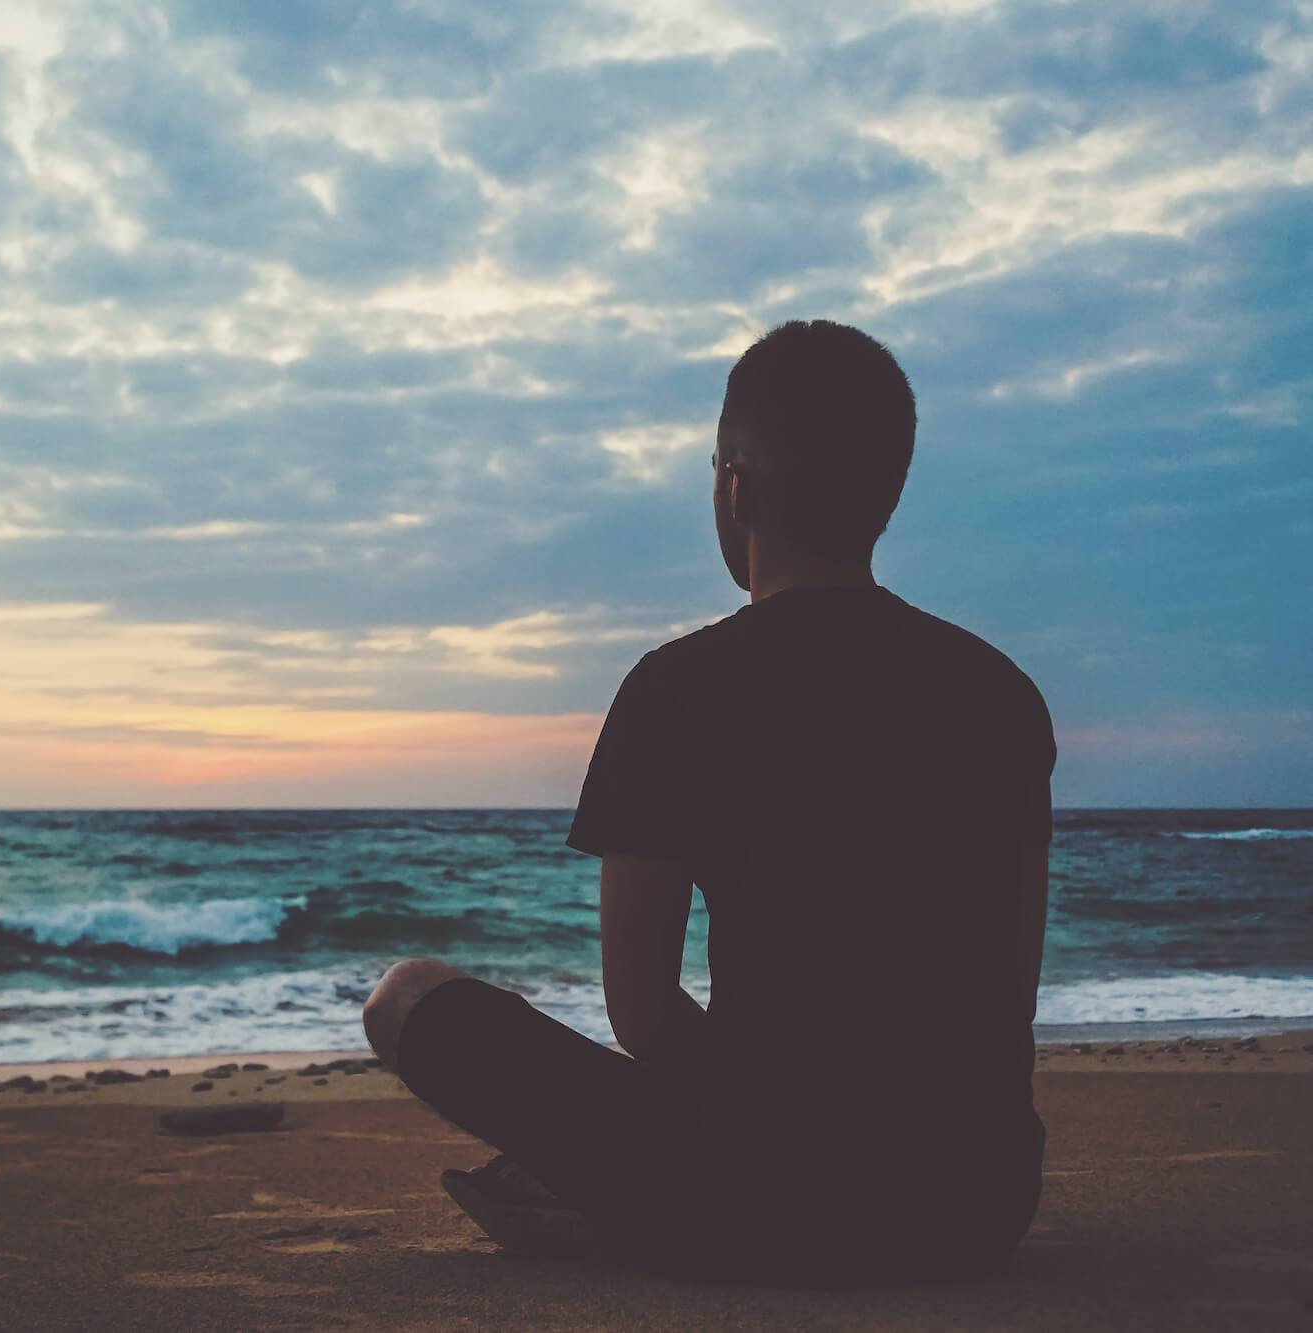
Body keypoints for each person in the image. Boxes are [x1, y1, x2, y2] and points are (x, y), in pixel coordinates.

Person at [363, 319, 1055, 1287]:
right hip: (974, 1204)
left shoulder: (673, 690)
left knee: (406, 997)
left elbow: (641, 1015)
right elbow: (1003, 1003)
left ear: (734, 486)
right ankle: (628, 1192)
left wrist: (744, 1109)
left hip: (761, 1192)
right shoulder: (1000, 694)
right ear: (884, 493)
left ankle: (617, 1198)